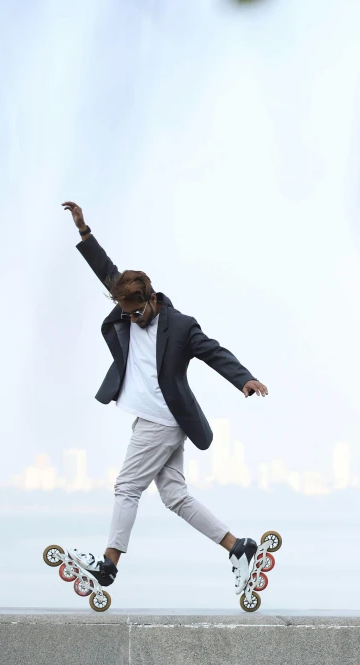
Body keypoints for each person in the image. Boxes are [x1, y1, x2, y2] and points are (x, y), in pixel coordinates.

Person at [60, 201, 269, 597]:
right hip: (152, 421)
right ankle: (237, 547)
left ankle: (108, 566)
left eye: (137, 313)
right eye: (126, 314)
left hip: (162, 419)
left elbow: (213, 351)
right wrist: (84, 232)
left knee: (126, 487)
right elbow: (106, 271)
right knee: (174, 496)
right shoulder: (126, 303)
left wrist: (245, 379)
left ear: (151, 299)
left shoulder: (181, 326)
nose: (132, 320)